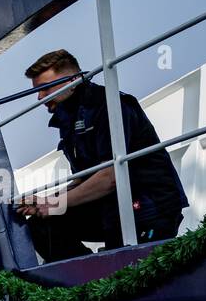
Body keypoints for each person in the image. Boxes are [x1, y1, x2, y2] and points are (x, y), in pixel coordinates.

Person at [16, 49, 188, 262]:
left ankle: (98, 278)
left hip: (149, 209)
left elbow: (110, 177)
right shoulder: (68, 118)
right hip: (113, 209)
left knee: (128, 268)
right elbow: (83, 179)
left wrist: (52, 204)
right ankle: (86, 282)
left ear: (73, 79)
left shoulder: (109, 105)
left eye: (45, 88)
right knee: (42, 225)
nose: (40, 97)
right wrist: (44, 201)